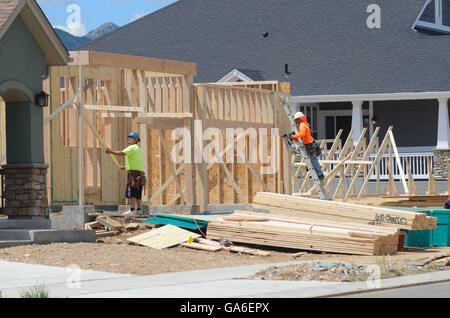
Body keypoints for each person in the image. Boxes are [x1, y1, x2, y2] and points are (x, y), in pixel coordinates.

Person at [106, 132, 146, 217]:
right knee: (138, 192)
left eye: (132, 137)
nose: (129, 138)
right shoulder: (137, 148)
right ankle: (139, 210)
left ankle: (132, 210)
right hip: (139, 173)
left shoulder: (131, 148)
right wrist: (125, 166)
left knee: (132, 192)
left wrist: (110, 152)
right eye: (129, 137)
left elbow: (121, 153)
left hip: (133, 174)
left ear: (136, 140)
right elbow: (135, 162)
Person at [290, 112, 325, 180]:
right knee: (312, 159)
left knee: (313, 159)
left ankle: (320, 174)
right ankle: (317, 173)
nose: (296, 122)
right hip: (309, 144)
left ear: (299, 119)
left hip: (310, 144)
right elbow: (302, 136)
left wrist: (293, 136)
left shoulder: (302, 125)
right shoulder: (303, 125)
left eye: (296, 120)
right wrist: (295, 137)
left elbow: (302, 134)